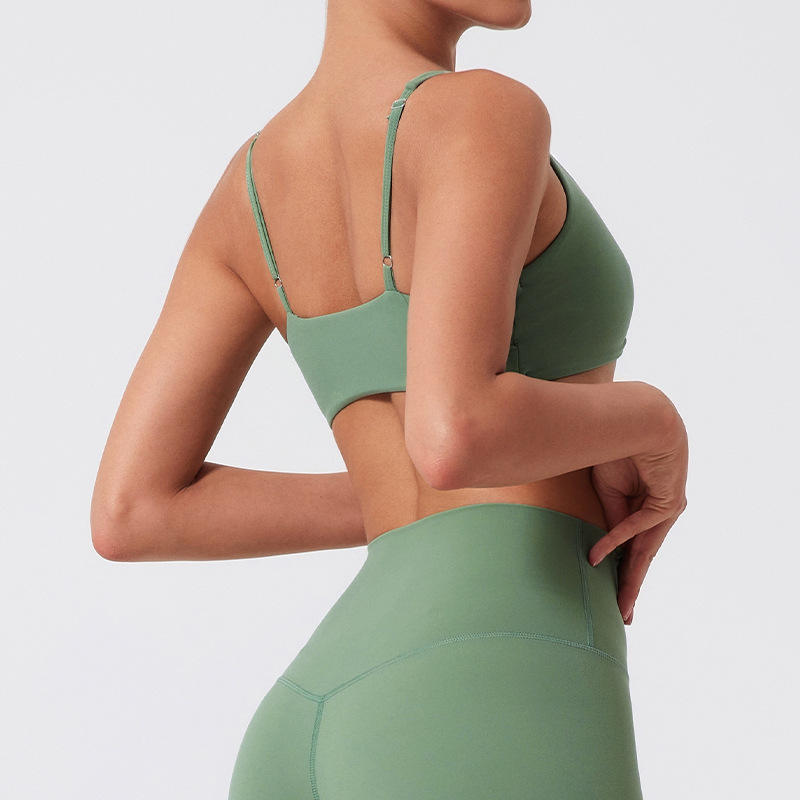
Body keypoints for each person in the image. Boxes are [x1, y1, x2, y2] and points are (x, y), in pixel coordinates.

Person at [90, 1, 689, 797]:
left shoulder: (249, 190)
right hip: (498, 670)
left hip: (310, 716)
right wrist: (653, 423)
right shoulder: (482, 111)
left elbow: (134, 512)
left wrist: (393, 496)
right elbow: (456, 432)